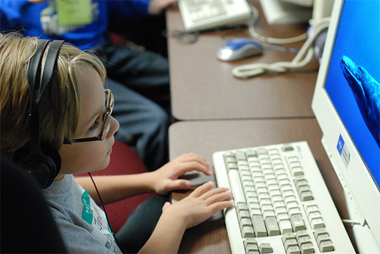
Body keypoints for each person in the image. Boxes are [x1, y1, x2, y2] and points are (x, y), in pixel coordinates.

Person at [0, 32, 233, 253]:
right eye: (94, 124)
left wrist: (149, 180)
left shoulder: (45, 175)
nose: (115, 125)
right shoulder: (50, 229)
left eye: (107, 107)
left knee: (157, 205)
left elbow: (72, 192)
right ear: (42, 155)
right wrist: (175, 221)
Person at [0, 0, 175, 171]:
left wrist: (148, 4)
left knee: (177, 80)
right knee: (153, 121)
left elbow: (116, 6)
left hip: (104, 51)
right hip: (66, 71)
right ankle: (161, 184)